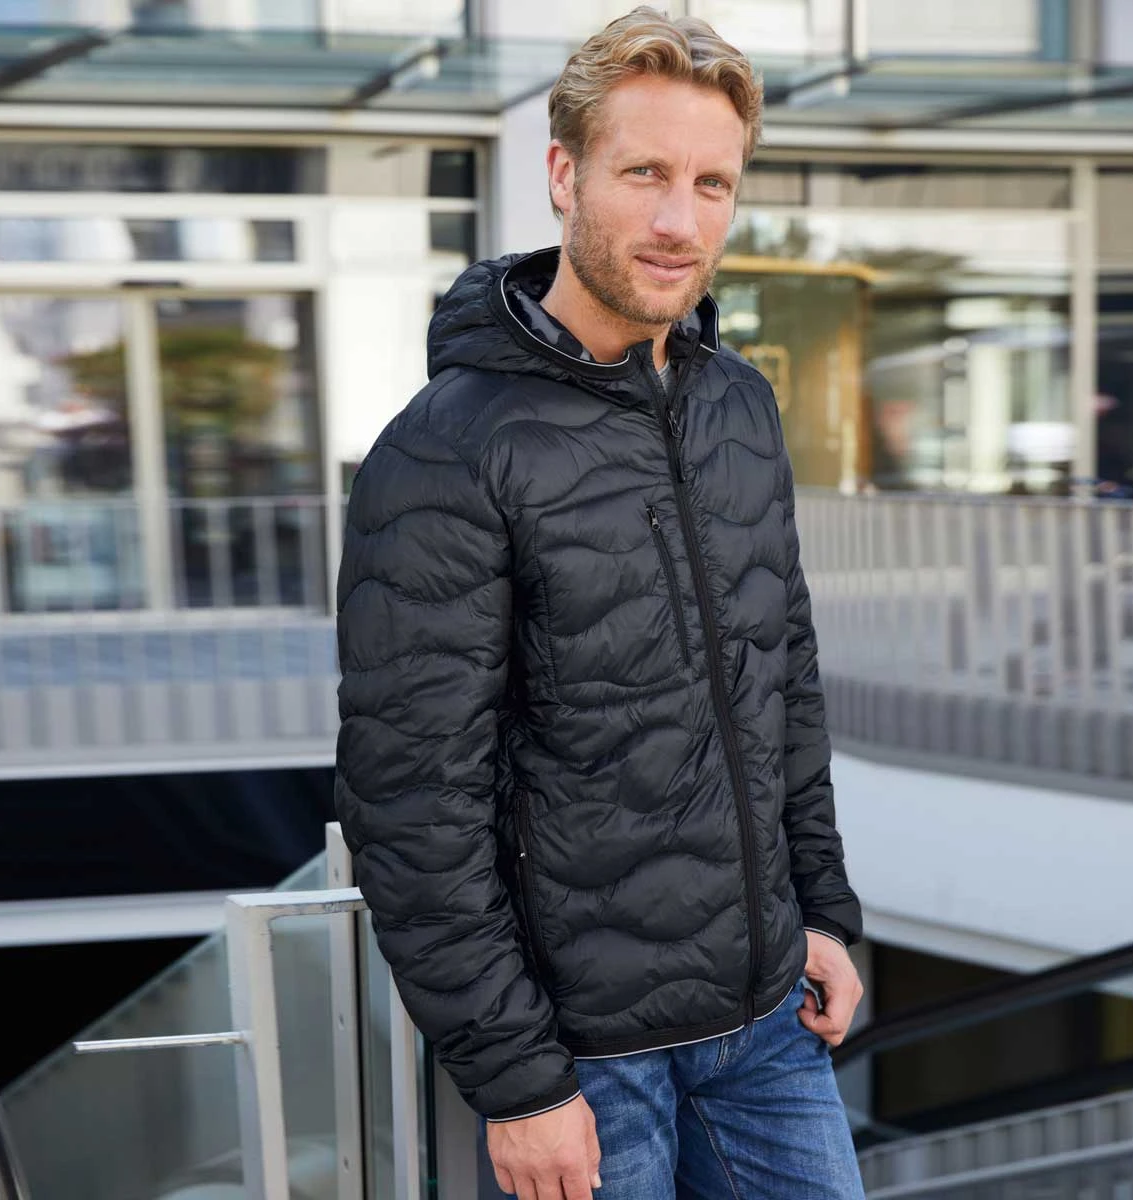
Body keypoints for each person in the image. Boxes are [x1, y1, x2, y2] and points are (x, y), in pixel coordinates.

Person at [335, 7, 865, 1197]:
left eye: (712, 183)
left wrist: (823, 914)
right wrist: (518, 1079)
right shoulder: (446, 450)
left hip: (768, 1027)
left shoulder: (739, 405)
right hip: (585, 1060)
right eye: (645, 174)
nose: (681, 221)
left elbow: (782, 678)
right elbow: (412, 801)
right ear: (565, 174)